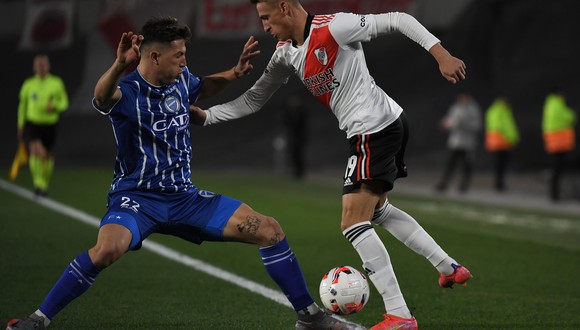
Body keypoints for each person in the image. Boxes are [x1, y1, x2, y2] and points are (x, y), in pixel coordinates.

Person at [6, 17, 365, 330]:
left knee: (269, 229)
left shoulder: (180, 80)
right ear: (153, 56)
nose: (184, 61)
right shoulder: (127, 90)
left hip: (185, 199)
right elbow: (101, 98)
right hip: (137, 199)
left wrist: (234, 74)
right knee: (106, 250)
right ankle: (38, 320)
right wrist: (118, 65)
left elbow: (203, 85)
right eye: (178, 55)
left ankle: (309, 316)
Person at [190, 1, 473, 329]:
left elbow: (398, 19)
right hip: (380, 125)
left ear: (285, 7)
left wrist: (442, 55)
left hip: (374, 127)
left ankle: (400, 316)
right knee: (377, 211)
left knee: (352, 222)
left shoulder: (334, 27)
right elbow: (255, 98)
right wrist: (209, 116)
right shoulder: (285, 53)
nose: (263, 26)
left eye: (266, 17)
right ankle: (448, 266)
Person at [17, 54, 69, 197]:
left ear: (48, 66)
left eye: (43, 65)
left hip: (49, 124)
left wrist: (55, 106)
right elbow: (22, 106)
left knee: (46, 156)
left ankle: (44, 184)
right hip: (33, 123)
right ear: (34, 67)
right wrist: (21, 124)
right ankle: (38, 183)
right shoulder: (28, 84)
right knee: (35, 151)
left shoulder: (56, 83)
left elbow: (64, 103)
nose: (41, 67)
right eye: (38, 65)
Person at [435, 92, 482, 193]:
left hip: (467, 144)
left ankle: (464, 186)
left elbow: (477, 126)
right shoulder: (455, 108)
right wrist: (445, 124)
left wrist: (464, 125)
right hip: (455, 143)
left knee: (466, 166)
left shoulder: (473, 109)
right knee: (450, 164)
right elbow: (449, 121)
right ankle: (444, 183)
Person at [542, 88, 576, 201]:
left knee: (557, 169)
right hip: (559, 143)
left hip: (556, 143)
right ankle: (555, 194)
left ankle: (555, 193)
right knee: (557, 169)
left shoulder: (550, 105)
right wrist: (572, 116)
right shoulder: (556, 105)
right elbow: (568, 117)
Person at [484, 96, 519, 192]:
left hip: (500, 142)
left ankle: (499, 184)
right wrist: (512, 138)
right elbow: (503, 127)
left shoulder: (497, 110)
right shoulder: (500, 111)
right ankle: (499, 184)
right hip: (501, 142)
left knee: (500, 165)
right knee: (500, 165)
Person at [284, 93, 309, 179]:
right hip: (293, 137)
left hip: (299, 137)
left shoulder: (301, 111)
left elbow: (299, 124)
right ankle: (295, 172)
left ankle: (300, 173)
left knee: (298, 155)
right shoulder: (291, 111)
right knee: (293, 154)